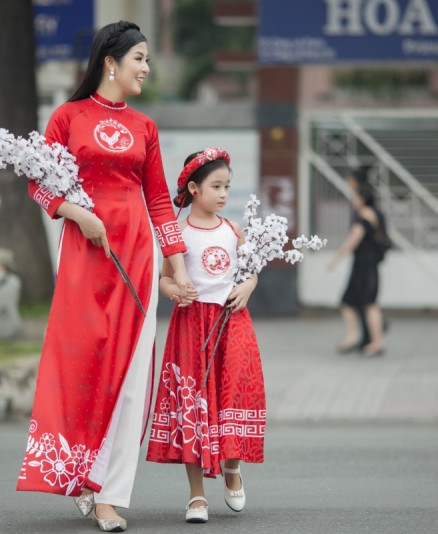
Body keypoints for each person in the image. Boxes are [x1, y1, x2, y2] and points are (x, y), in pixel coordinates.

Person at [17, 21, 192, 533]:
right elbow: (38, 184)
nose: (145, 67)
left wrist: (174, 262)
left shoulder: (145, 127)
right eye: (139, 57)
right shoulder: (67, 117)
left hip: (135, 259)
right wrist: (76, 211)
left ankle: (110, 495)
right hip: (85, 259)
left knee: (133, 378)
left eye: (147, 60)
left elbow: (159, 200)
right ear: (110, 61)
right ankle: (82, 472)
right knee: (82, 368)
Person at [146, 148, 265, 524]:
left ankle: (232, 468)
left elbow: (250, 272)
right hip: (191, 326)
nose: (224, 193)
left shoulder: (233, 230)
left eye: (227, 186)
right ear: (194, 189)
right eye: (216, 186)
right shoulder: (178, 234)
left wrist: (248, 287)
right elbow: (163, 279)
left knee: (234, 396)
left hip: (233, 323)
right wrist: (174, 291)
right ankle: (196, 496)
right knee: (192, 405)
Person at [327, 169, 389, 357]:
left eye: (355, 197)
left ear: (362, 199)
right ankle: (356, 338)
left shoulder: (364, 216)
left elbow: (353, 240)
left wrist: (336, 259)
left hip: (364, 267)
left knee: (368, 304)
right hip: (366, 266)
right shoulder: (375, 213)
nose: (353, 200)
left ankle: (376, 342)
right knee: (351, 302)